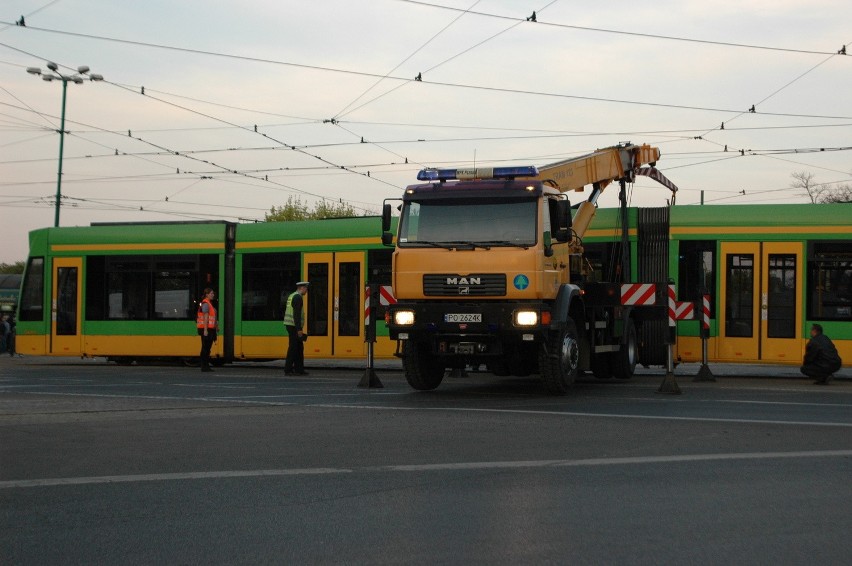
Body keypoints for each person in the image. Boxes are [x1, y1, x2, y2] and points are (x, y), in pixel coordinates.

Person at [283, 281, 309, 375]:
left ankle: (299, 369)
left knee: (298, 347)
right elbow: (296, 314)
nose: (306, 290)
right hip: (294, 326)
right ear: (301, 288)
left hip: (291, 325)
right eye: (306, 288)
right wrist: (299, 329)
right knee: (293, 348)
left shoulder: (292, 295)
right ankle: (288, 369)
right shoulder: (297, 297)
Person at [196, 288, 218, 372]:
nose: (213, 295)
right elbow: (205, 317)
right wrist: (205, 330)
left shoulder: (209, 304)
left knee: (207, 348)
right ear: (207, 294)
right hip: (205, 329)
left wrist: (216, 326)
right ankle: (204, 366)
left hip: (210, 329)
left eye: (213, 293)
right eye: (211, 293)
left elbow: (212, 317)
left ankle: (206, 365)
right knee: (205, 348)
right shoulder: (205, 304)